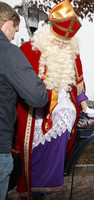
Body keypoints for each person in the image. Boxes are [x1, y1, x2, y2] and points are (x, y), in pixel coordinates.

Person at [13, 0, 94, 199]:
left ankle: (43, 190)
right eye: (57, 40)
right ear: (48, 34)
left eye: (64, 42)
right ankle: (32, 191)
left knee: (51, 157)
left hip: (60, 115)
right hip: (34, 114)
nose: (61, 45)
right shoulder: (29, 49)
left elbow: (79, 84)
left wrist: (85, 107)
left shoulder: (72, 55)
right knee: (29, 157)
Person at [0, 2, 48, 199]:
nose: (13, 37)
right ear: (8, 24)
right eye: (14, 31)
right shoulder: (7, 52)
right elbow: (37, 96)